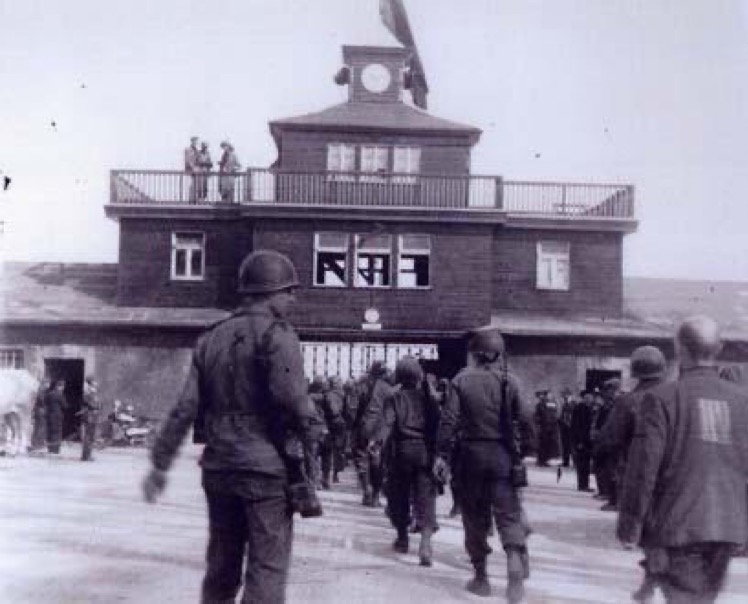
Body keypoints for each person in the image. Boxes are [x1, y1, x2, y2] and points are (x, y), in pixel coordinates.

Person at [142, 249, 317, 604]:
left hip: (219, 468)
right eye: (289, 291)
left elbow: (184, 408)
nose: (293, 299)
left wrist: (159, 464)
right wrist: (314, 433)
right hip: (266, 470)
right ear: (271, 291)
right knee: (267, 569)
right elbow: (294, 401)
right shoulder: (280, 335)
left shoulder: (211, 338)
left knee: (221, 567)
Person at [617, 316, 748, 604]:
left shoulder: (661, 399)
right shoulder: (743, 401)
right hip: (727, 526)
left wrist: (630, 525)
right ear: (720, 348)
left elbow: (643, 469)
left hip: (677, 525)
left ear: (679, 348)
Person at [436, 326, 530, 603]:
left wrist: (442, 454)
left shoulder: (460, 381)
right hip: (503, 455)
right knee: (508, 514)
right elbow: (524, 419)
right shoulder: (511, 381)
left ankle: (481, 578)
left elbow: (449, 420)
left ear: (475, 354)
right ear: (498, 353)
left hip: (470, 455)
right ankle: (514, 566)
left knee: (474, 517)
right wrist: (524, 452)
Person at [382, 357, 440, 567]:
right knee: (426, 497)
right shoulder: (429, 398)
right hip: (425, 453)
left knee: (399, 495)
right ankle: (425, 544)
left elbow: (387, 425)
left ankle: (402, 538)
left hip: (401, 453)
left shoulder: (394, 398)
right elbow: (437, 429)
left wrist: (376, 445)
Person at [352, 361, 392, 507]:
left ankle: (366, 491)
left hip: (363, 427)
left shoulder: (362, 386)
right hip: (379, 430)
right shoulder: (389, 389)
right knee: (378, 462)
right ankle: (375, 496)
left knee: (362, 459)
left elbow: (353, 408)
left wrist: (355, 426)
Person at [591, 379, 619, 500]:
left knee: (608, 466)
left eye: (609, 389)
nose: (607, 392)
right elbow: (597, 421)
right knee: (599, 465)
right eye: (606, 390)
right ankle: (602, 490)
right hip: (600, 438)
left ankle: (607, 492)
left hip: (609, 439)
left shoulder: (617, 404)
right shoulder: (603, 405)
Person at [320, 376, 348, 487]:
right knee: (338, 449)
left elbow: (332, 410)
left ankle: (326, 476)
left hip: (331, 423)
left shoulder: (328, 395)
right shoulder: (343, 395)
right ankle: (335, 474)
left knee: (327, 450)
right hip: (340, 423)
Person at [569, 389, 595, 492]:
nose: (590, 399)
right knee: (582, 464)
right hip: (581, 441)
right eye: (587, 398)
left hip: (587, 441)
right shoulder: (579, 408)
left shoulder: (589, 408)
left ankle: (585, 484)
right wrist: (579, 441)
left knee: (586, 464)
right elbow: (576, 426)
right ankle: (582, 485)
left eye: (590, 397)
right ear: (583, 398)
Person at [533, 389, 560, 467]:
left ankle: (545, 460)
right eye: (548, 395)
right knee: (543, 443)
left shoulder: (553, 404)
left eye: (550, 395)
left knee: (548, 444)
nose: (549, 396)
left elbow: (555, 413)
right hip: (543, 426)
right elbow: (536, 415)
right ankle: (541, 460)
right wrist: (538, 424)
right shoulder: (540, 404)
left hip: (552, 426)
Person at [79, 376, 101, 461]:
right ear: (91, 383)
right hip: (89, 416)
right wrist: (96, 406)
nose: (97, 383)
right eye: (95, 382)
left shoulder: (93, 393)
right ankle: (86, 456)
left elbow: (98, 404)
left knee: (90, 436)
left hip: (93, 416)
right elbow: (92, 405)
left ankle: (88, 455)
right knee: (88, 436)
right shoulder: (88, 393)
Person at [45, 380, 67, 454]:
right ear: (60, 386)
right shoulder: (60, 395)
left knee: (51, 431)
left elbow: (45, 403)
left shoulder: (49, 394)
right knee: (57, 432)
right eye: (62, 386)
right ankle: (56, 449)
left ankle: (50, 449)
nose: (63, 388)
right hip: (57, 415)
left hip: (50, 415)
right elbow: (65, 406)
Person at [30, 377, 50, 451]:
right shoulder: (41, 390)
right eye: (47, 383)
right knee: (40, 427)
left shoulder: (40, 390)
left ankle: (36, 443)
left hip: (38, 410)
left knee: (38, 427)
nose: (48, 385)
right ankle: (37, 444)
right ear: (44, 383)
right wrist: (46, 406)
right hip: (40, 410)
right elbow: (41, 400)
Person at [557, 387, 575, 468]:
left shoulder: (574, 404)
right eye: (563, 395)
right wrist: (560, 422)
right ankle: (566, 461)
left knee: (573, 445)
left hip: (572, 427)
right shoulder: (564, 404)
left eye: (565, 395)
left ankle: (575, 462)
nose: (564, 396)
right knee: (565, 445)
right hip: (564, 427)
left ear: (569, 395)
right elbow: (562, 415)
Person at [184, 136, 200, 203]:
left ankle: (195, 199)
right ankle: (191, 200)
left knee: (196, 185)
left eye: (196, 141)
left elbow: (198, 160)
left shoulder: (196, 150)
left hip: (196, 169)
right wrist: (193, 167)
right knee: (192, 185)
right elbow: (188, 160)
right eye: (194, 141)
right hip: (191, 170)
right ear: (192, 141)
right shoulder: (188, 149)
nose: (195, 143)